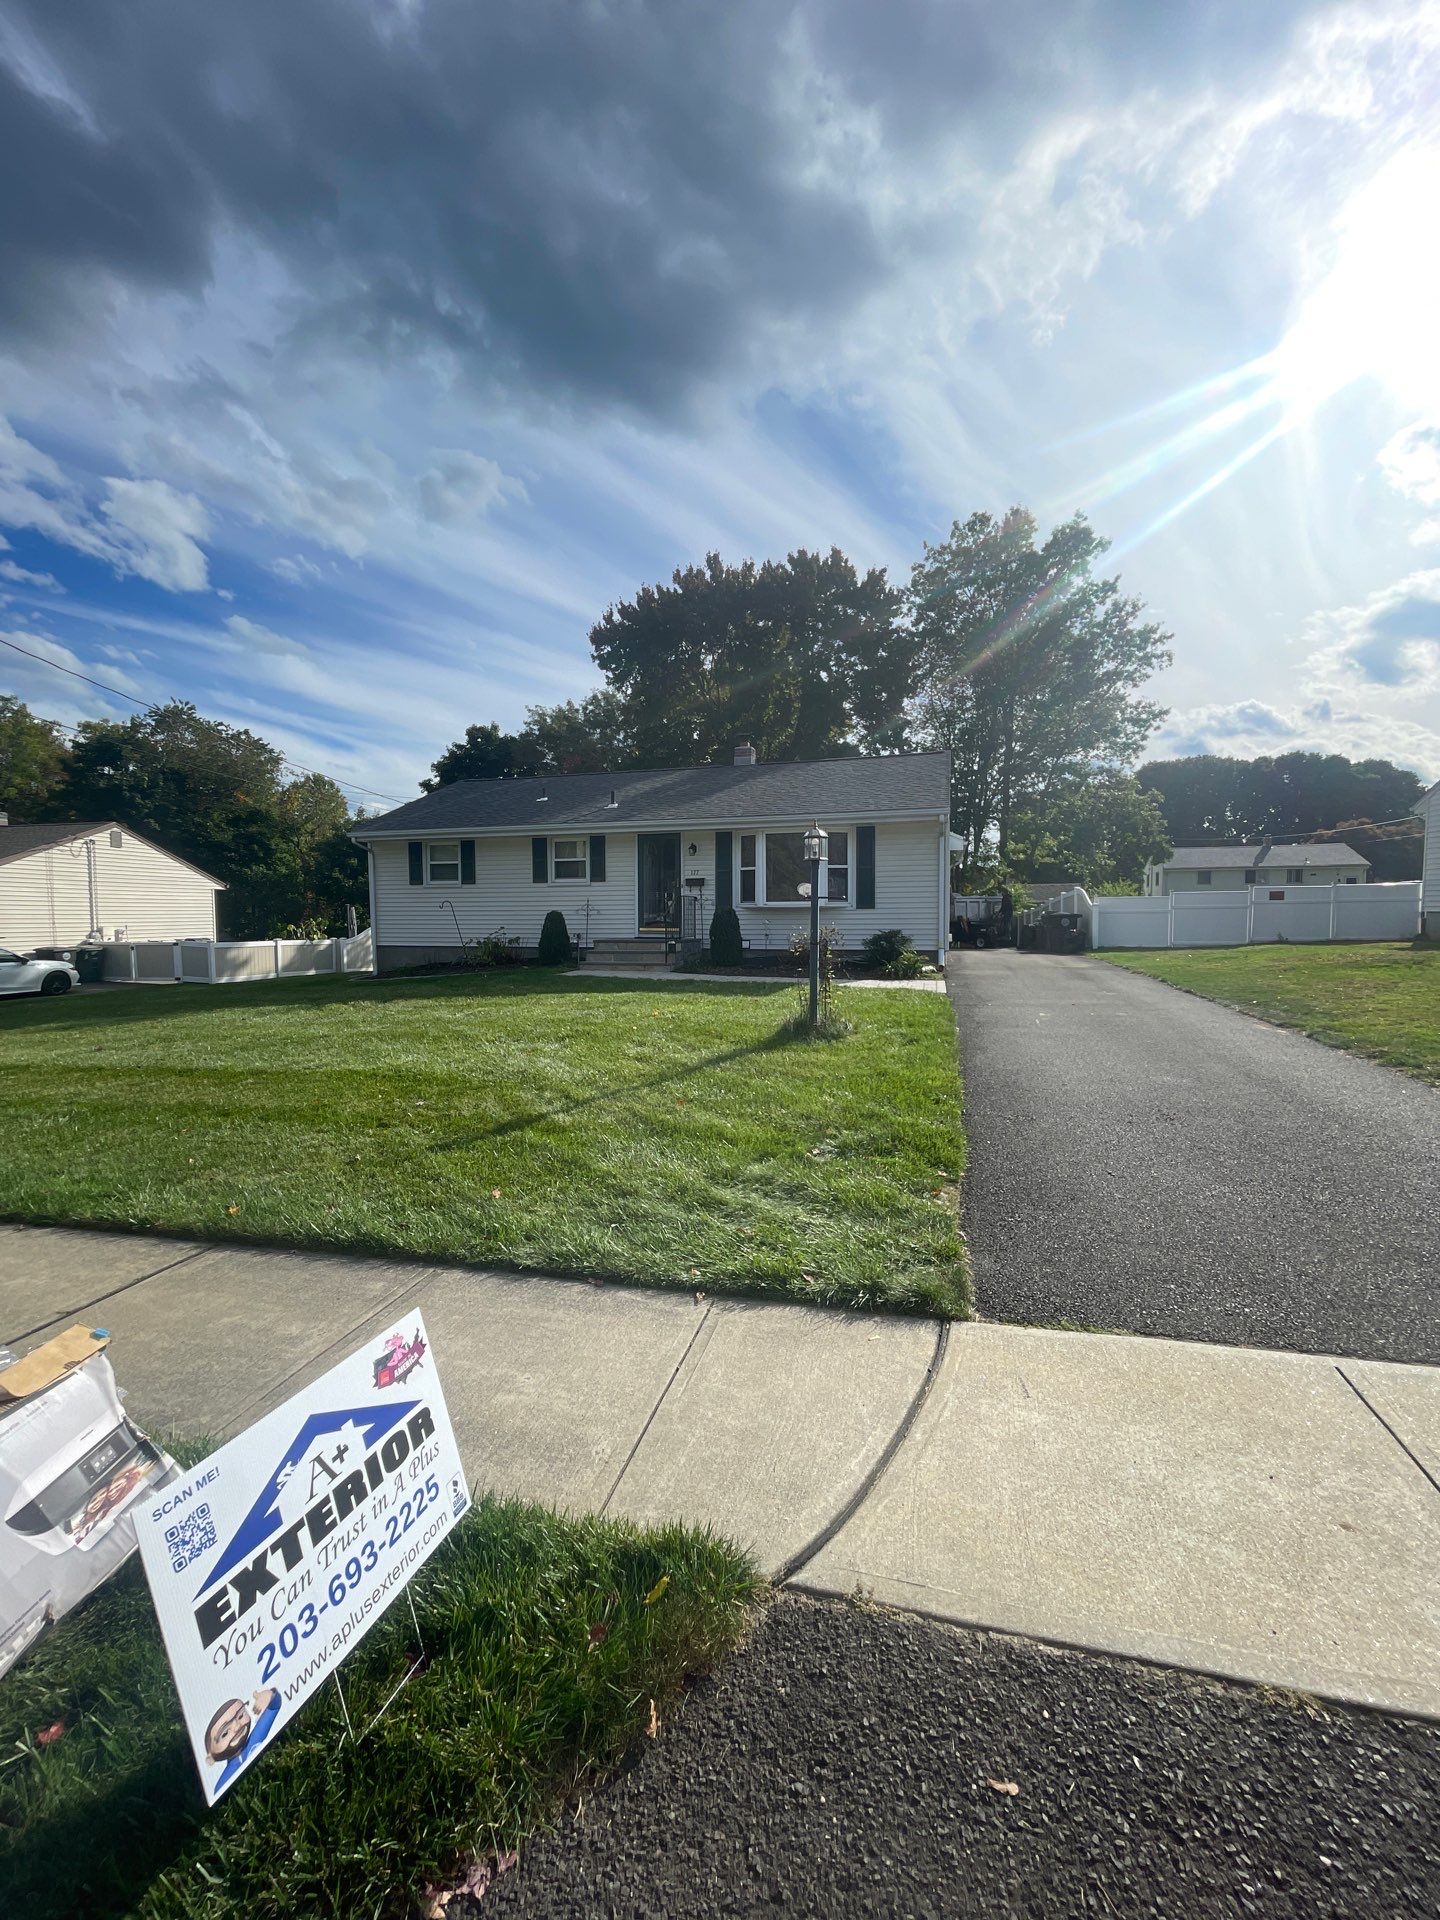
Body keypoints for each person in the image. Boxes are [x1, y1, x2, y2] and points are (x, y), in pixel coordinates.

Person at [204, 1687, 280, 1791]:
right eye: (225, 1733)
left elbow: (274, 1707)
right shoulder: (223, 1783)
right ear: (210, 1759)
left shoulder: (256, 1737)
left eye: (240, 1716)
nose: (237, 1726)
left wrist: (269, 1695)